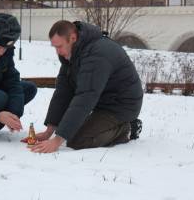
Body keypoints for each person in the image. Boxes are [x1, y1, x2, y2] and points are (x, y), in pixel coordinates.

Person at [24, 20, 143, 153]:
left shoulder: (97, 54)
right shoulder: (72, 52)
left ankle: (128, 128)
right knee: (71, 133)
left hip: (122, 105)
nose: (57, 52)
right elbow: (64, 91)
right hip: (103, 102)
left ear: (73, 38)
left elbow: (86, 97)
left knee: (78, 140)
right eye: (54, 47)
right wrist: (49, 132)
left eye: (60, 46)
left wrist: (57, 141)